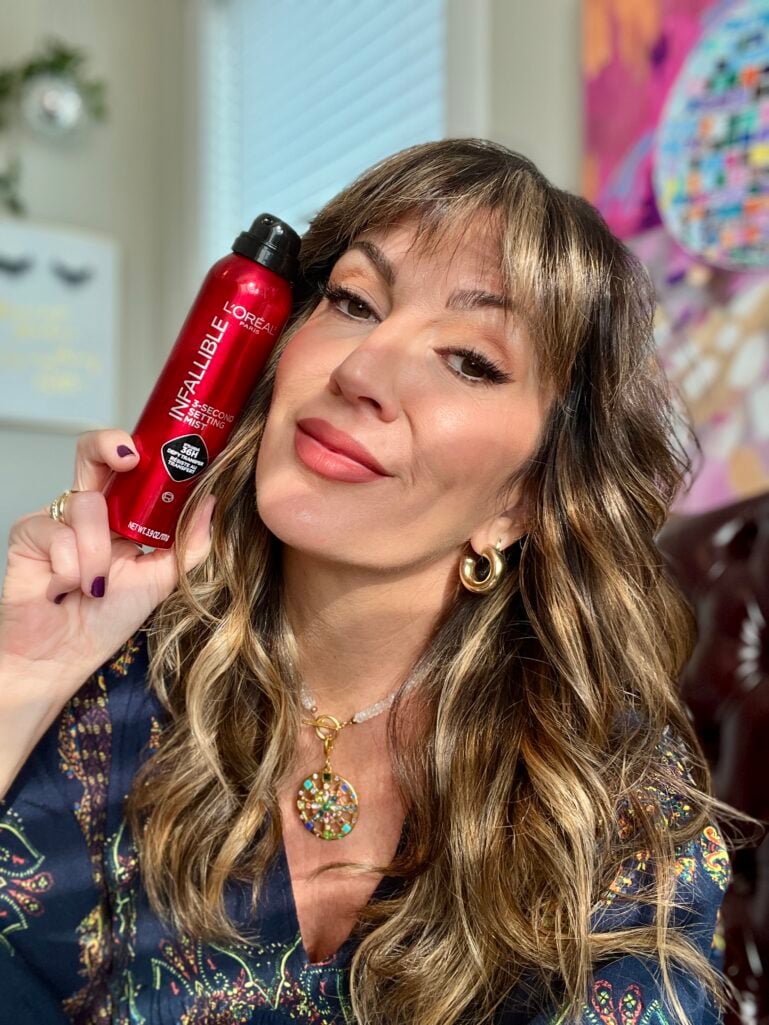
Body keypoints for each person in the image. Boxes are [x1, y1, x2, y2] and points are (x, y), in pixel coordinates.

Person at [0, 138, 736, 1025]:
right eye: (352, 302)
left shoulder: (610, 795)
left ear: (526, 497)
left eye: (470, 359)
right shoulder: (102, 694)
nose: (362, 370)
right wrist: (25, 675)